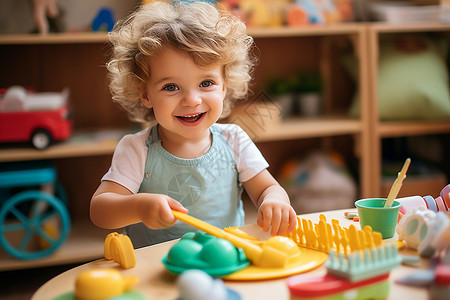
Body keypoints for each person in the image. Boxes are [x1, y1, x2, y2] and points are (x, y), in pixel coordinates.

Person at [90, 1, 297, 248]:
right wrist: (139, 207)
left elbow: (267, 189)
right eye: (171, 87)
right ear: (145, 94)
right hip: (157, 270)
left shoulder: (234, 140)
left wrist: (275, 201)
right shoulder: (137, 149)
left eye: (206, 83)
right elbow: (100, 211)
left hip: (225, 260)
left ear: (224, 87)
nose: (191, 100)